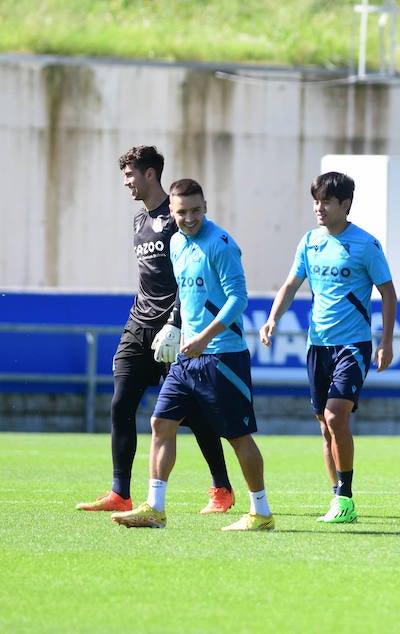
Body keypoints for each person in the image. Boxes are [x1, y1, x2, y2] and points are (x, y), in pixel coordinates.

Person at [111, 178, 275, 531]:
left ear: (205, 207)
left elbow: (238, 299)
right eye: (182, 211)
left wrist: (204, 337)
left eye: (196, 210)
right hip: (187, 357)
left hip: (222, 357)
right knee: (161, 423)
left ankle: (261, 512)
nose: (189, 218)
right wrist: (176, 328)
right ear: (171, 211)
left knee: (237, 437)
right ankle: (155, 508)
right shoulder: (175, 243)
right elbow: (186, 298)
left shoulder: (220, 244)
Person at [78, 146, 235, 515]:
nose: (126, 181)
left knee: (191, 413)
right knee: (120, 404)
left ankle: (222, 488)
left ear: (150, 174)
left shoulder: (179, 217)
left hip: (174, 329)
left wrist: (175, 323)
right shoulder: (138, 220)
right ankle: (120, 492)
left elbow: (189, 277)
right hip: (139, 325)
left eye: (130, 174)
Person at [259, 172, 397, 524]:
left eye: (326, 202)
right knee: (324, 425)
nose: (319, 208)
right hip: (317, 344)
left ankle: (345, 496)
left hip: (352, 345)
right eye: (316, 201)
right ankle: (337, 496)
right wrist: (273, 317)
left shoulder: (366, 245)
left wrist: (385, 341)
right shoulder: (310, 241)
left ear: (345, 204)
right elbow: (291, 284)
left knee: (336, 415)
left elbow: (389, 293)